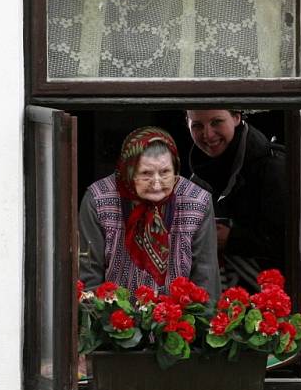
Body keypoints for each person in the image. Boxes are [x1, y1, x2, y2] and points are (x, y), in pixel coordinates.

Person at [78, 126, 221, 302]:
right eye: (146, 173)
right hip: (113, 320)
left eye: (165, 172)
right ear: (128, 170)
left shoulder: (197, 201)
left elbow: (206, 279)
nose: (156, 184)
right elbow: (89, 277)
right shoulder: (98, 200)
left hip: (179, 321)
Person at [185, 109, 287, 290]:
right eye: (197, 126)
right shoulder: (199, 173)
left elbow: (289, 243)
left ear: (236, 117)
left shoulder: (273, 168)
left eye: (216, 122)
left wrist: (231, 239)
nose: (207, 134)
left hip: (269, 297)